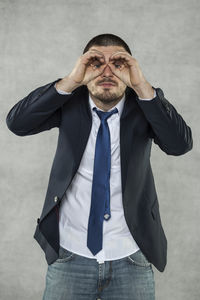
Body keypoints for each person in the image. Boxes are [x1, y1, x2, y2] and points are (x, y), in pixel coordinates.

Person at [6, 33, 193, 300]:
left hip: (131, 255)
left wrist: (142, 86)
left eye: (118, 64)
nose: (107, 71)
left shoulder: (146, 104)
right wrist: (71, 81)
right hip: (69, 254)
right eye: (96, 63)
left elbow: (180, 144)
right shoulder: (69, 101)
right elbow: (17, 123)